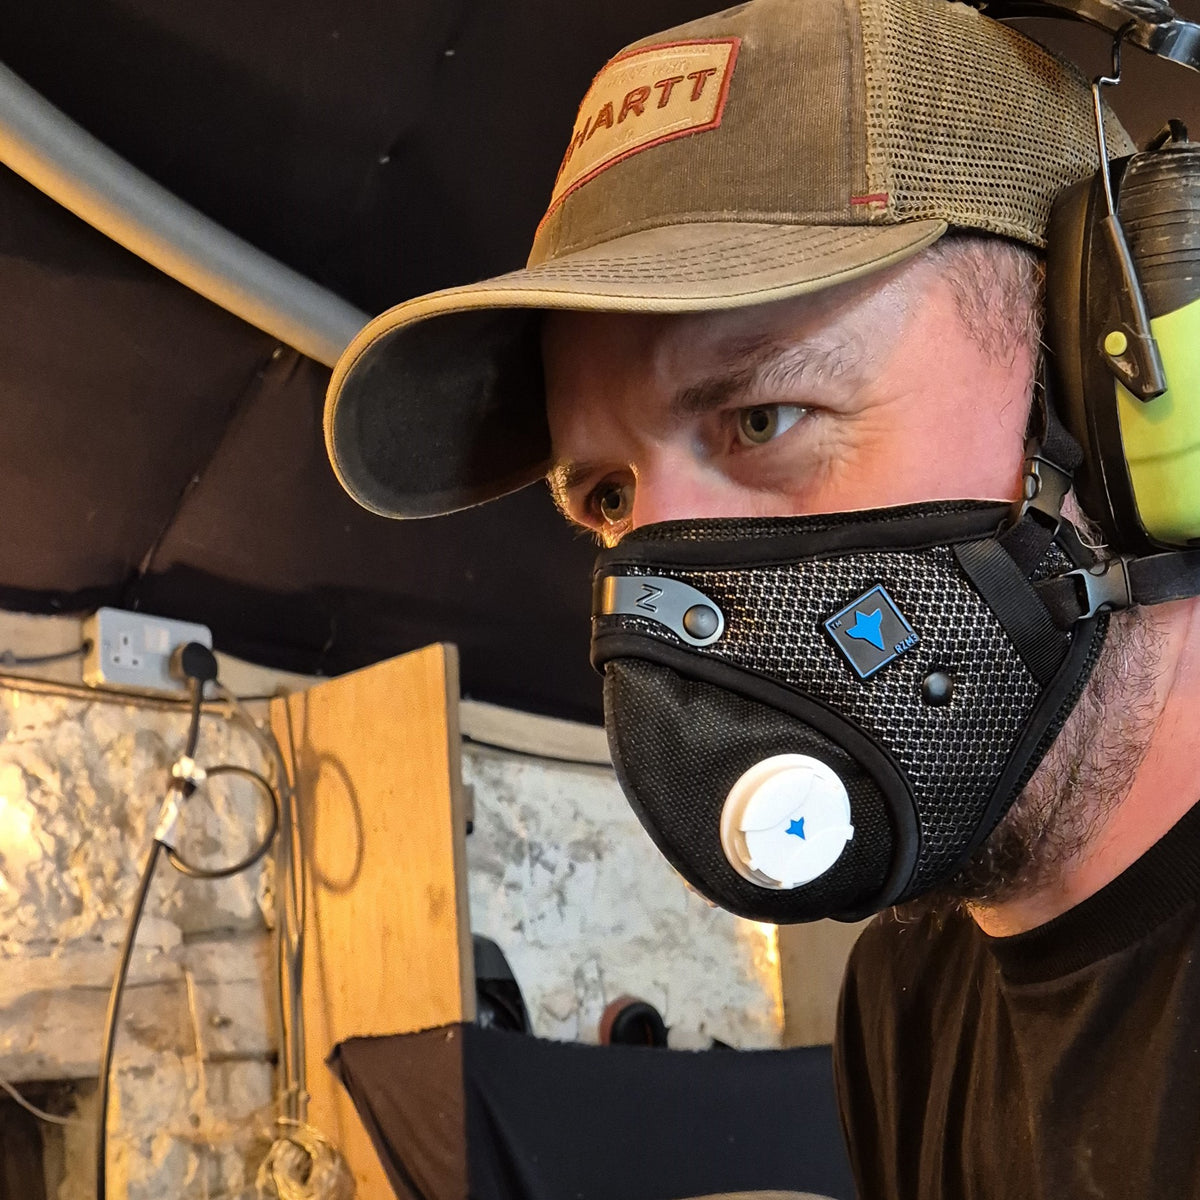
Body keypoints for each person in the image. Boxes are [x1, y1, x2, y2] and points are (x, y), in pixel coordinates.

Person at [323, 0, 1200, 1194]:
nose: (668, 574)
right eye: (610, 497)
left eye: (761, 418)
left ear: (1111, 387)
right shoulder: (907, 994)